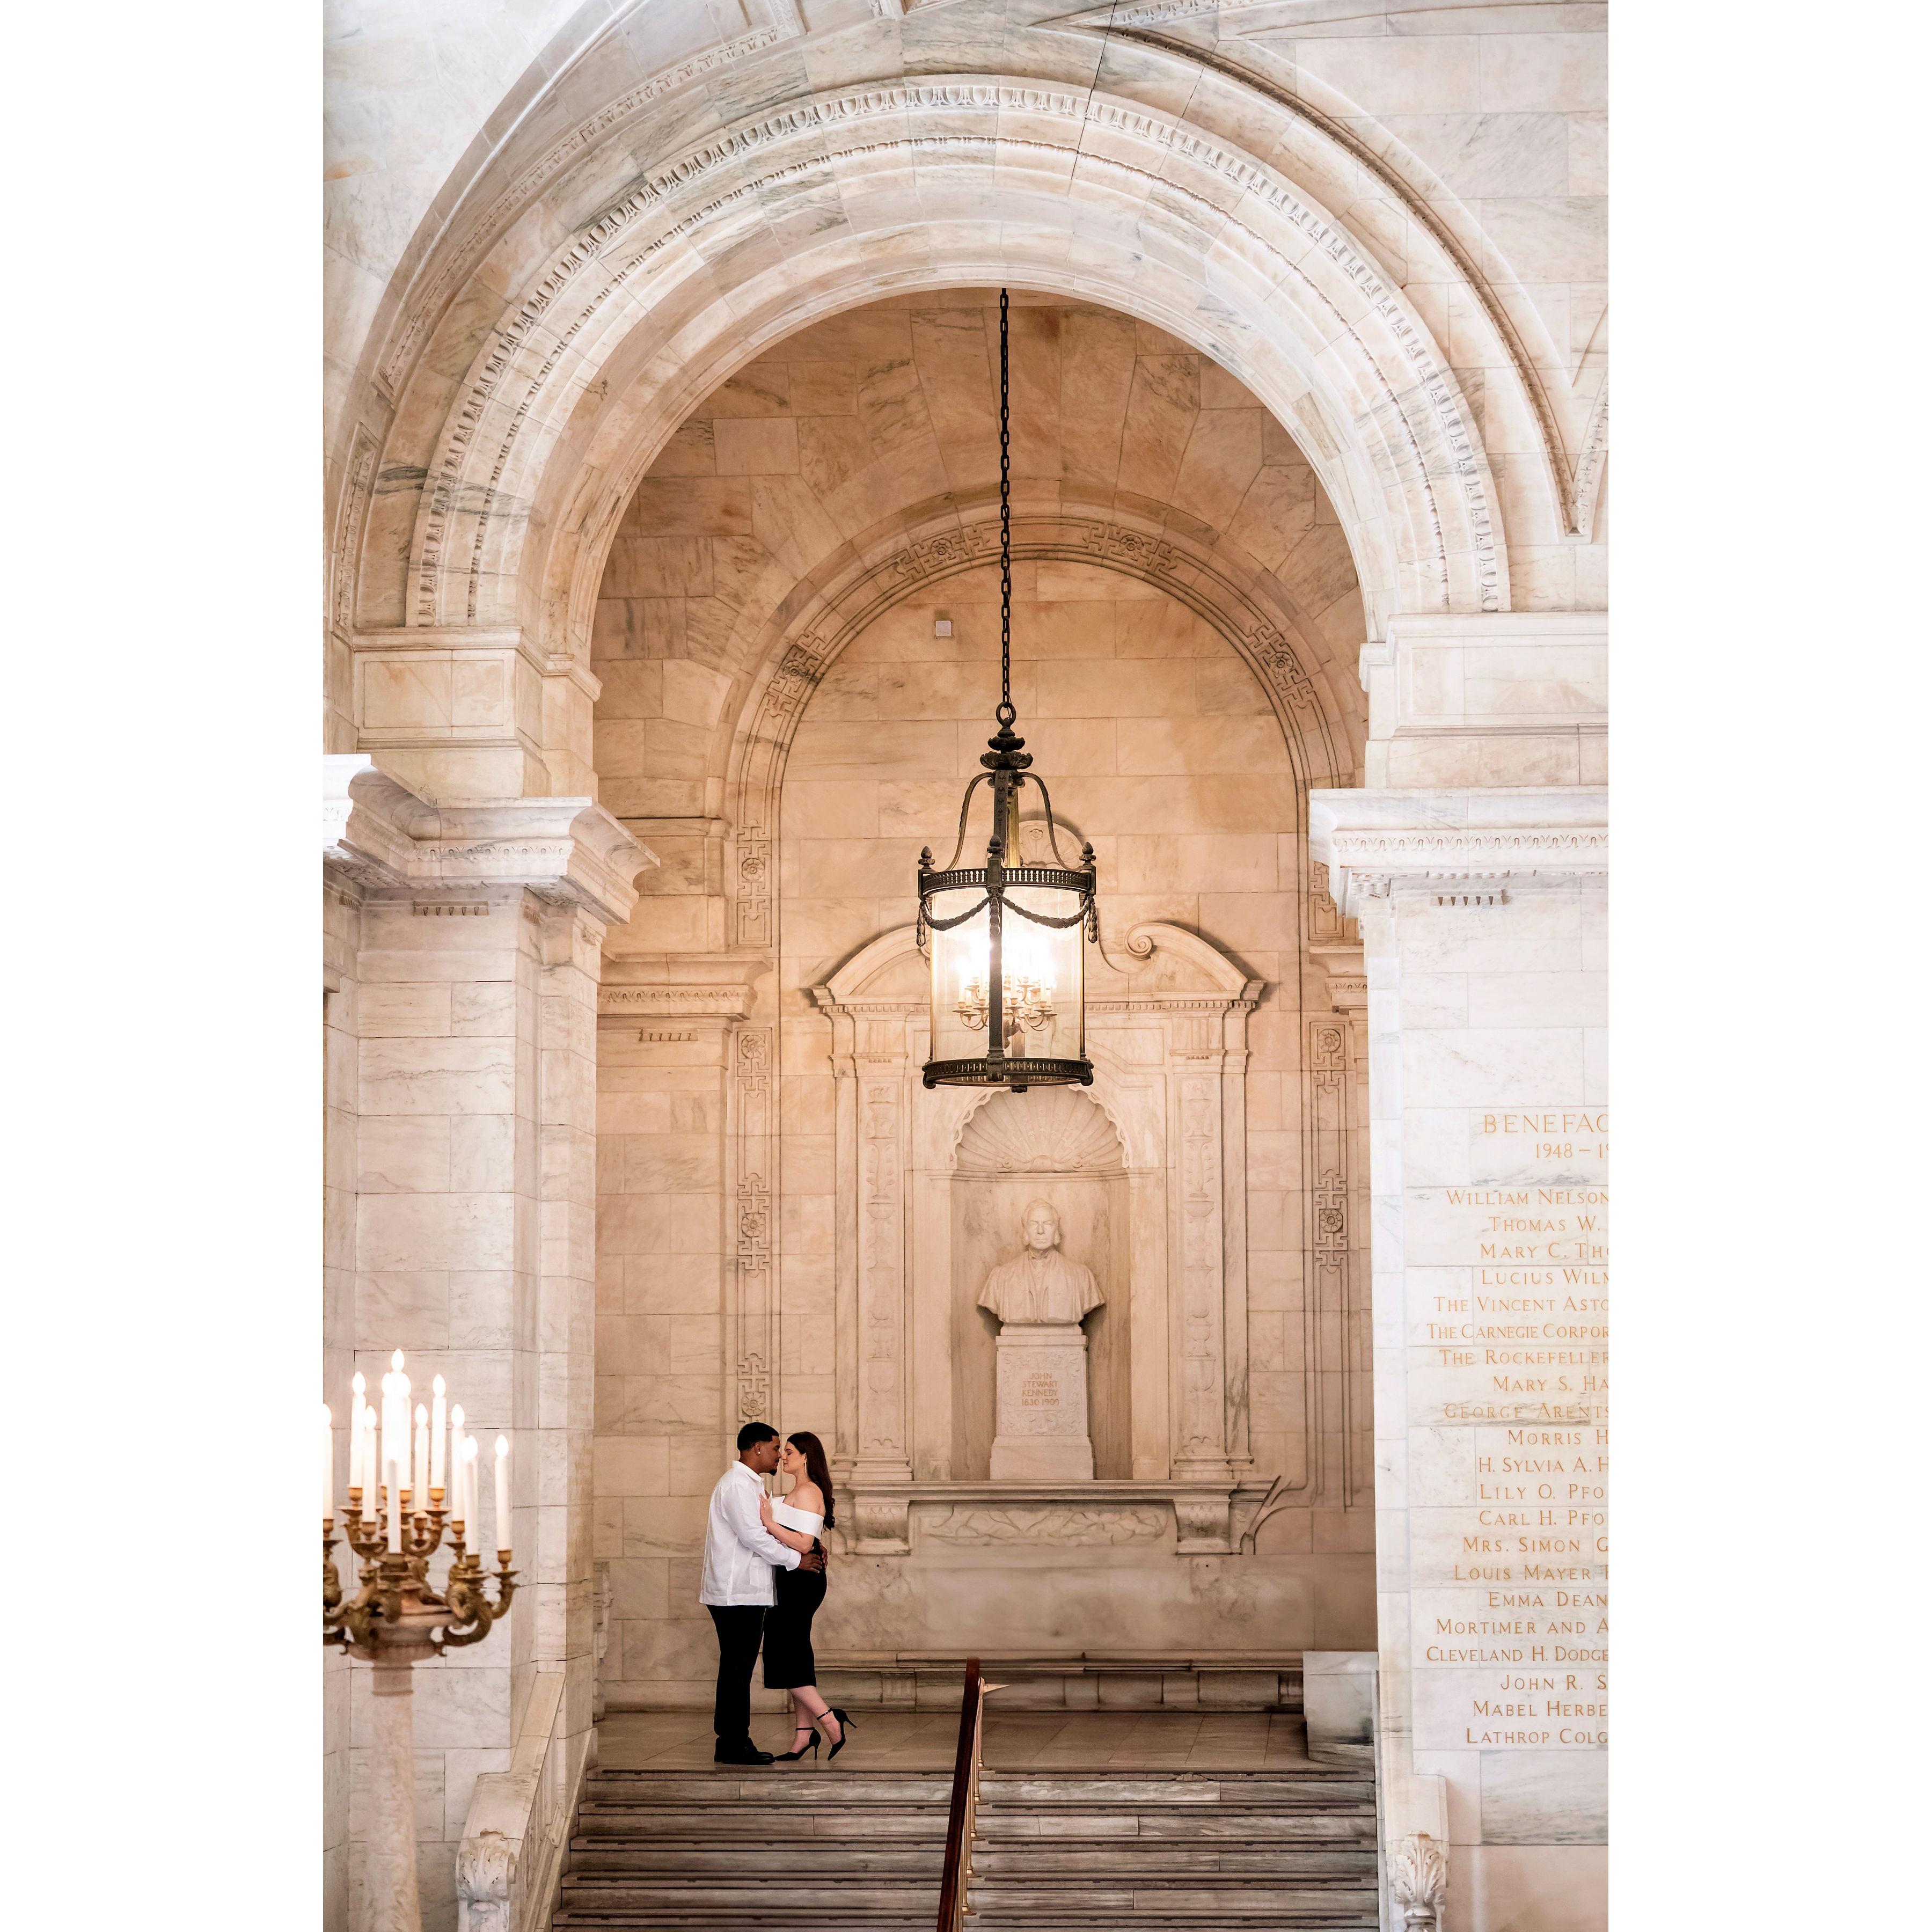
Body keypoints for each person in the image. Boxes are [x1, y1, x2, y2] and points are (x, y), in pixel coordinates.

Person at [700, 1421, 825, 1765]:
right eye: (775, 1448)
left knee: (737, 1668)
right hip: (737, 1592)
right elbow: (754, 1536)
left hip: (747, 1592)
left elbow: (776, 1528)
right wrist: (797, 1560)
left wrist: (808, 1545)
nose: (778, 1455)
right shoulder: (737, 1485)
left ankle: (731, 1742)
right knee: (737, 1669)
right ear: (757, 1448)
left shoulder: (750, 1484)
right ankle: (733, 1743)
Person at [757, 1431, 855, 1763]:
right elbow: (806, 1538)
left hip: (801, 1582)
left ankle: (830, 1719)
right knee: (796, 1654)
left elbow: (802, 1543)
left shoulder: (810, 1491)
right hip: (791, 1579)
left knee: (783, 1655)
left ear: (806, 1457)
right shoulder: (798, 1491)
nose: (783, 1457)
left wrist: (768, 1522)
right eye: (782, 1451)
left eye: (789, 1452)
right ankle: (804, 1734)